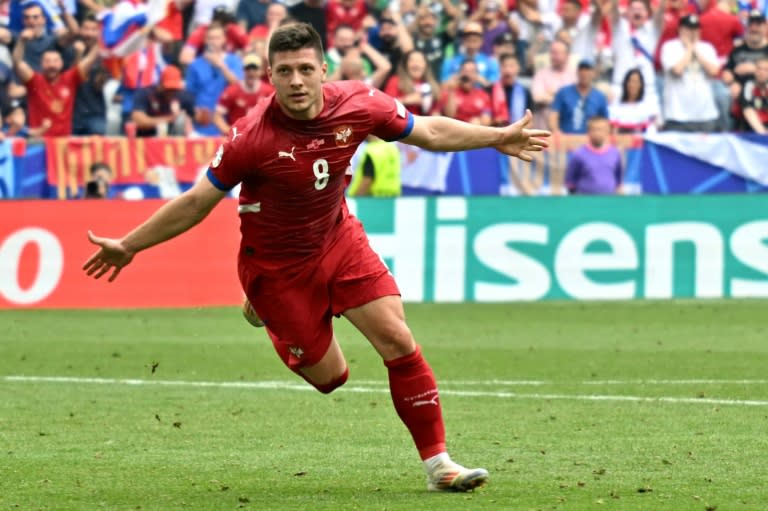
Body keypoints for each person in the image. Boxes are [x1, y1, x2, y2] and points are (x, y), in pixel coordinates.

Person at [82, 22, 549, 493]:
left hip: (336, 238)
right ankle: (266, 311)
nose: (297, 81)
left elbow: (427, 130)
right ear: (270, 75)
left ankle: (439, 465)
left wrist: (495, 136)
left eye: (306, 69)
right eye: (285, 71)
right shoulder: (251, 138)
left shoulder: (362, 103)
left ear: (323, 70)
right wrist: (129, 245)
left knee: (397, 338)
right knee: (332, 378)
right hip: (276, 270)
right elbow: (196, 202)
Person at [13, 30, 100, 137]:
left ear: (62, 63)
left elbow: (90, 58)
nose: (52, 65)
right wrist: (21, 41)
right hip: (39, 141)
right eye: (47, 61)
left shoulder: (69, 79)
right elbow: (17, 62)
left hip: (62, 143)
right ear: (41, 64)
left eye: (55, 61)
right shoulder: (34, 80)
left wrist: (101, 39)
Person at [660, 13, 720, 132]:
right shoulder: (669, 47)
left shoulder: (707, 48)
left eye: (695, 29)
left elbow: (714, 71)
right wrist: (689, 49)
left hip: (705, 115)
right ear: (680, 29)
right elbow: (677, 70)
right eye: (688, 29)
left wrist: (695, 50)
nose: (692, 32)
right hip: (677, 115)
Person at [214, 54, 274, 135]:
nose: (251, 72)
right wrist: (229, 132)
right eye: (248, 68)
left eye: (255, 68)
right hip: (238, 139)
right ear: (243, 71)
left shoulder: (269, 91)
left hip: (260, 138)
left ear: (261, 71)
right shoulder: (232, 91)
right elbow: (217, 116)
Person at [130, 65, 195, 137]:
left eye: (174, 89)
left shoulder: (182, 96)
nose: (171, 93)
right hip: (146, 138)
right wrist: (168, 119)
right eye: (168, 89)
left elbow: (196, 115)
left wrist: (201, 115)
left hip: (172, 139)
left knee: (181, 119)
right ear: (160, 84)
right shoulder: (145, 94)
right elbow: (138, 120)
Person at [549, 58, 609, 135]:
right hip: (566, 138)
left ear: (593, 73)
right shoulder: (563, 92)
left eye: (587, 70)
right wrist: (556, 131)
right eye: (581, 70)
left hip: (590, 141)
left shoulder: (600, 97)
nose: (584, 73)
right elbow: (554, 115)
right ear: (577, 72)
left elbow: (605, 121)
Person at [565, 116, 623, 194]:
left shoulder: (615, 153)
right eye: (594, 130)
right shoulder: (579, 154)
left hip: (609, 201)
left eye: (600, 129)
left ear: (607, 131)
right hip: (585, 201)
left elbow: (618, 180)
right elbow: (571, 182)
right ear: (588, 132)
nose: (597, 133)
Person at [608, 68, 661, 133]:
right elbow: (613, 130)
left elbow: (655, 126)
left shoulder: (648, 106)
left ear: (641, 85)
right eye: (630, 81)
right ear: (625, 83)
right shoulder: (616, 106)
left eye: (636, 82)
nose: (633, 85)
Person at [738, 56, 768, 133]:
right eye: (759, 69)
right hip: (752, 129)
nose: (761, 72)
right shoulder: (749, 85)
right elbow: (748, 110)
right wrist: (763, 133)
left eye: (766, 70)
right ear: (754, 70)